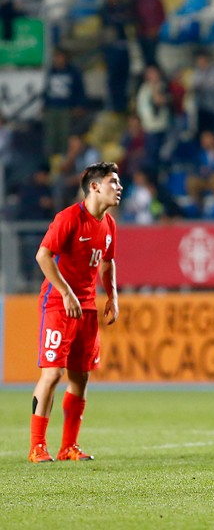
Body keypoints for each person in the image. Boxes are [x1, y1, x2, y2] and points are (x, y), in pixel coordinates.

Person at [29, 162, 123, 463]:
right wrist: (66, 292)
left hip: (87, 307)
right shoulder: (69, 218)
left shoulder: (109, 224)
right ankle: (37, 446)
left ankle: (68, 446)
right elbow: (43, 255)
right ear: (94, 187)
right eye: (113, 182)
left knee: (80, 376)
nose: (119, 187)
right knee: (53, 373)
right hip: (59, 304)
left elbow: (107, 261)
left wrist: (112, 295)